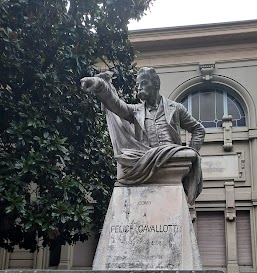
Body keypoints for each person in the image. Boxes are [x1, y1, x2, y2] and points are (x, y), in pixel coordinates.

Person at [80, 67, 205, 204]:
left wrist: (192, 151)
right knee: (125, 156)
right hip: (145, 156)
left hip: (172, 155)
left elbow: (198, 129)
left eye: (144, 83)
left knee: (189, 154)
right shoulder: (135, 111)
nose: (139, 88)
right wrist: (99, 84)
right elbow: (116, 105)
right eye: (138, 85)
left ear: (156, 85)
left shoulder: (175, 108)